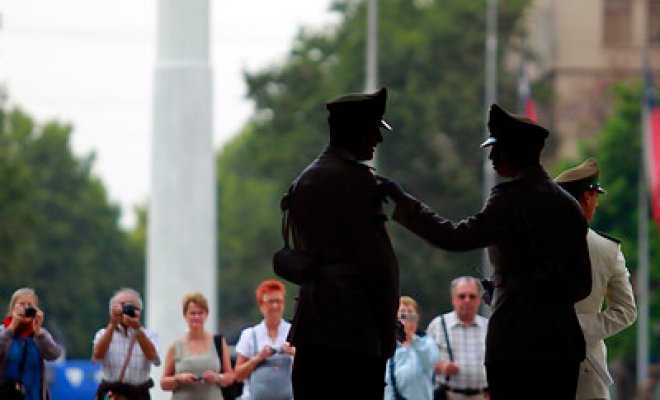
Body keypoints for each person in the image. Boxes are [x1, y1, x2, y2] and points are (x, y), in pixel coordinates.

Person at [379, 103, 592, 400]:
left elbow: (454, 237)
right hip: (561, 345)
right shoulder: (569, 206)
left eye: (498, 149)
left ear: (516, 152)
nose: (491, 157)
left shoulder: (508, 200)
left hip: (514, 343)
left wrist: (404, 202)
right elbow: (582, 284)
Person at [284, 86, 399, 399]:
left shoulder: (304, 181)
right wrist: (387, 331)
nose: (379, 139)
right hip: (354, 336)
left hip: (311, 331)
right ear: (354, 132)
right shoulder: (357, 181)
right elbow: (380, 267)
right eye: (374, 130)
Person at [554, 157, 637, 400]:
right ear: (587, 197)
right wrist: (580, 328)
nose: (597, 205)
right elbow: (626, 311)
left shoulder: (529, 243)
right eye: (595, 197)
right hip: (586, 370)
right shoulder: (607, 250)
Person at [160, 291, 234, 399]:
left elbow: (230, 376)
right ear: (185, 315)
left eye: (200, 313)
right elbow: (164, 383)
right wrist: (179, 379)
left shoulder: (218, 342)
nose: (197, 317)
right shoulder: (175, 346)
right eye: (193, 313)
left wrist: (217, 377)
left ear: (206, 314)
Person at [426, 277, 488, 400]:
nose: (467, 300)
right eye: (462, 296)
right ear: (453, 299)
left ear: (479, 299)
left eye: (472, 296)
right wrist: (441, 366)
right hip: (448, 395)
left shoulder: (488, 327)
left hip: (482, 396)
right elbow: (422, 362)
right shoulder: (438, 325)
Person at [93, 288, 160, 400]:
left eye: (132, 306)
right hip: (111, 394)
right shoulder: (103, 333)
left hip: (139, 393)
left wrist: (137, 328)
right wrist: (112, 324)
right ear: (112, 309)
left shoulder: (150, 335)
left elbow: (154, 358)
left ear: (140, 311)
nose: (127, 309)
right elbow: (97, 356)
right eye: (123, 305)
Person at [234, 279, 294, 400]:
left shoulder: (293, 332)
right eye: (270, 302)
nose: (275, 306)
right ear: (261, 305)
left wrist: (293, 352)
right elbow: (238, 375)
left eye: (278, 301)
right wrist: (258, 358)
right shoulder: (250, 335)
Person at [0, 287, 62, 400]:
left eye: (29, 304)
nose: (26, 308)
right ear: (12, 308)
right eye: (22, 304)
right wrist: (11, 328)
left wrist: (38, 332)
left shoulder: (39, 335)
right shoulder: (3, 332)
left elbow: (55, 354)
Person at [384, 295, 439, 400]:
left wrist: (410, 336)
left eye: (410, 313)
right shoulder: (390, 346)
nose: (406, 317)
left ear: (417, 317)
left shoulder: (426, 342)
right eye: (402, 313)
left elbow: (431, 360)